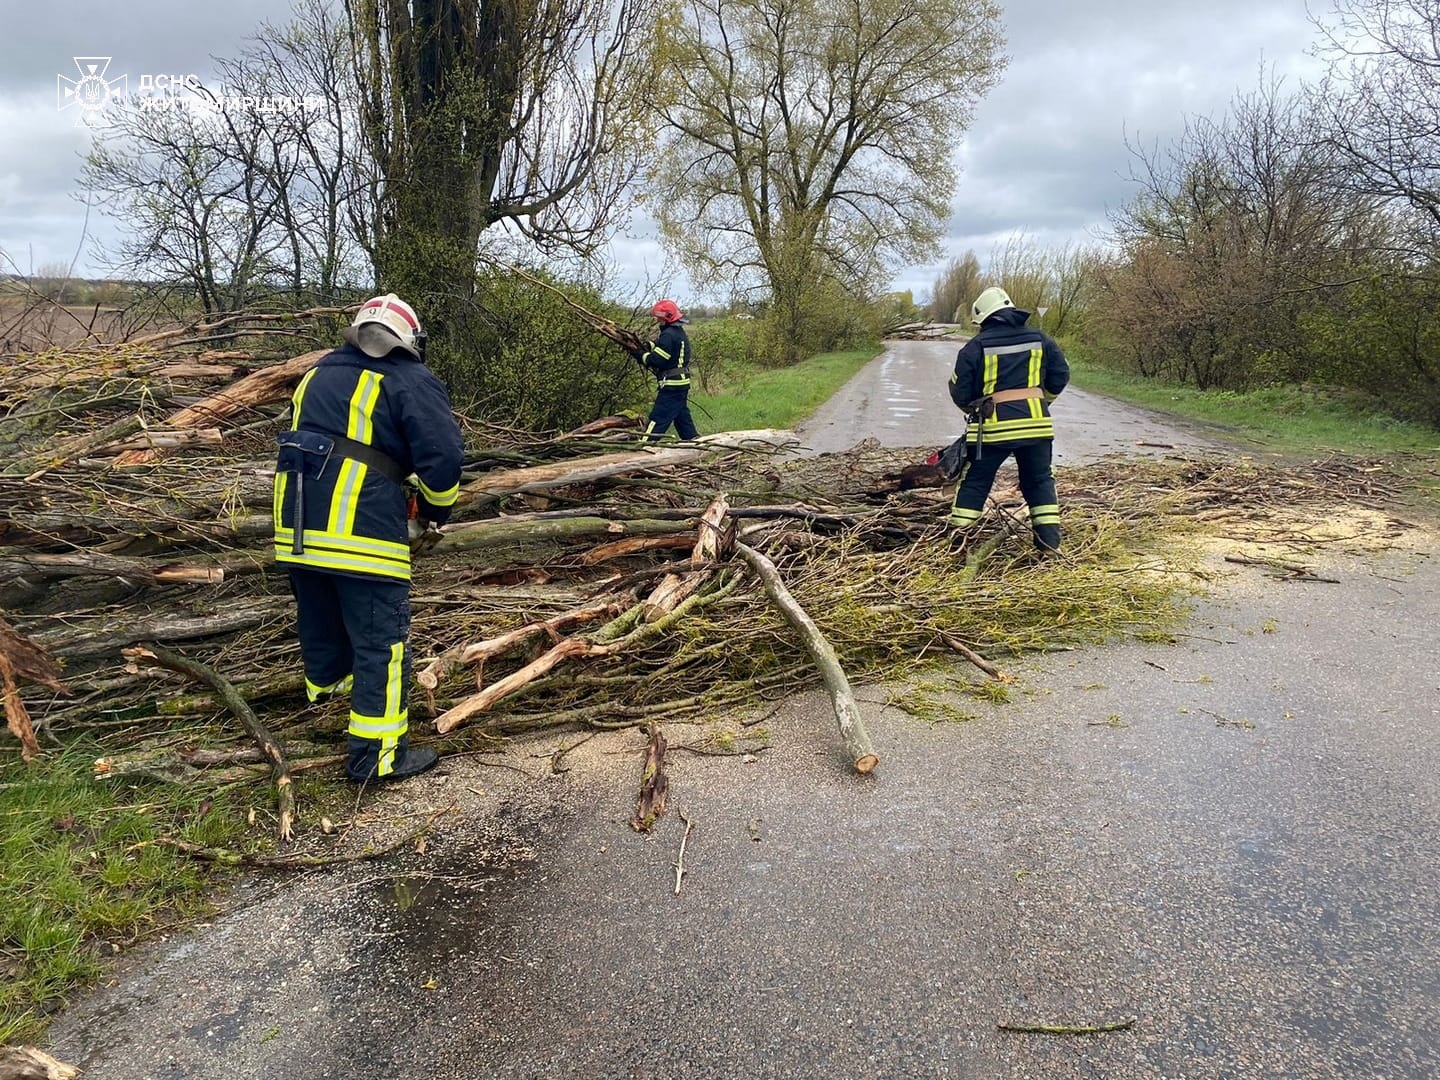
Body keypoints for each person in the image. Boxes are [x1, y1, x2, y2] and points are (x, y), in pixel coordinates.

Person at [272, 293, 465, 783]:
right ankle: (377, 757)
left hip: (296, 528)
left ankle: (327, 713)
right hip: (361, 533)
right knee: (382, 644)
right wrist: (433, 512)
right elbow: (442, 460)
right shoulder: (409, 379)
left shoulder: (317, 373)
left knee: (323, 625)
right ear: (409, 339)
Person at [947, 286, 1070, 552]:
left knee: (975, 482)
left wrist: (975, 408)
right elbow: (1060, 375)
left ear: (983, 318)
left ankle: (959, 544)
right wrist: (1041, 401)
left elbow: (960, 391)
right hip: (1036, 426)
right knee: (1040, 481)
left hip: (993, 430)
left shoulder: (975, 347)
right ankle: (1049, 546)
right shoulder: (1041, 339)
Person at [629, 299, 698, 442]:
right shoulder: (677, 331)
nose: (656, 320)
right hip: (681, 384)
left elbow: (657, 360)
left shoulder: (668, 335)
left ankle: (644, 446)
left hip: (671, 386)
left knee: (658, 417)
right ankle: (694, 442)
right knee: (682, 419)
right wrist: (648, 345)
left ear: (665, 318)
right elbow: (663, 346)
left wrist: (639, 354)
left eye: (658, 318)